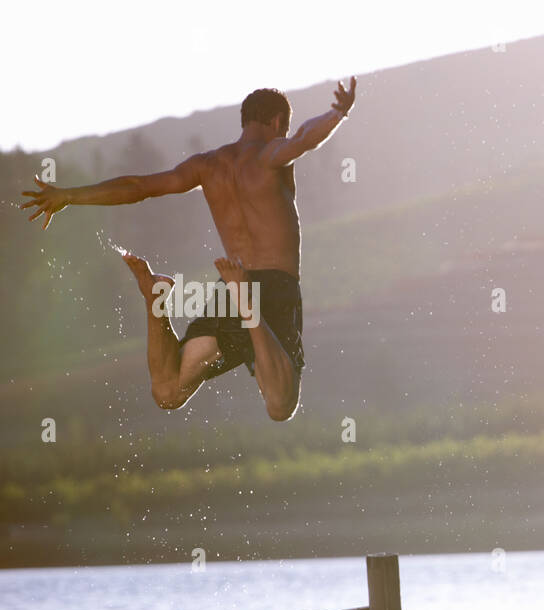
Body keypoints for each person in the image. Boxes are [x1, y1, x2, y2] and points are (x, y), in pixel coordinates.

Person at [20, 79, 357, 421]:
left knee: (168, 391)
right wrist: (338, 111)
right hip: (268, 290)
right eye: (282, 128)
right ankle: (247, 303)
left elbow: (139, 186)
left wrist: (68, 195)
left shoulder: (206, 166)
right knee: (281, 405)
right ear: (276, 123)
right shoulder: (271, 155)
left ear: (246, 121)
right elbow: (304, 138)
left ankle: (156, 300)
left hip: (230, 287)